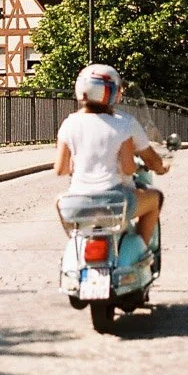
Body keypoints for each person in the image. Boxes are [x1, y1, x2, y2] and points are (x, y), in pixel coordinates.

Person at [54, 63, 167, 252]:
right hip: (114, 203)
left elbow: (61, 169)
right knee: (156, 198)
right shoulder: (123, 124)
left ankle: (79, 248)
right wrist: (162, 167)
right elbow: (131, 168)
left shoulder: (69, 123)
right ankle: (140, 252)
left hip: (76, 205)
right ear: (112, 92)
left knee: (61, 202)